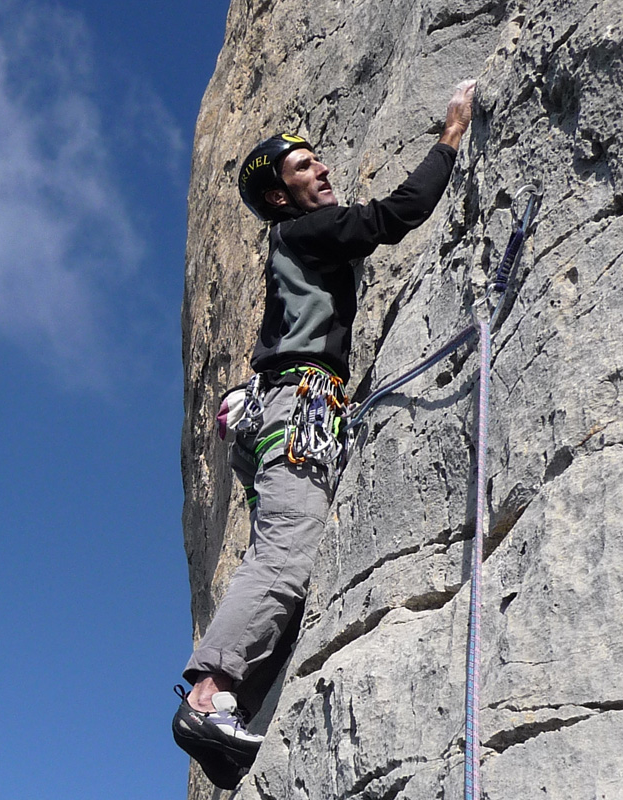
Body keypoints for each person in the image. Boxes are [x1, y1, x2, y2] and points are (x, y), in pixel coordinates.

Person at [172, 80, 477, 789]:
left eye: (317, 161)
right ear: (279, 195)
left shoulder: (296, 237)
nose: (323, 170)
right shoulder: (302, 231)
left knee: (291, 566)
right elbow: (392, 217)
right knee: (284, 556)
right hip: (296, 407)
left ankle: (233, 712)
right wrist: (451, 135)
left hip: (288, 410)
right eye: (304, 167)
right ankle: (209, 695)